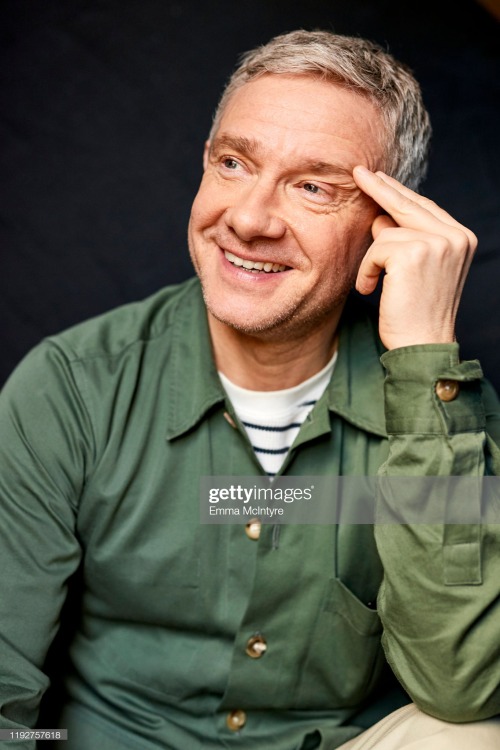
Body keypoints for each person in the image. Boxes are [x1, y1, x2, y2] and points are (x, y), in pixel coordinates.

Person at [0, 29, 499, 750]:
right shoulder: (71, 387)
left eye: (313, 187)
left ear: (385, 228)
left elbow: (463, 687)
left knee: (473, 735)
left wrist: (426, 363)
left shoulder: (445, 412)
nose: (249, 219)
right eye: (233, 163)